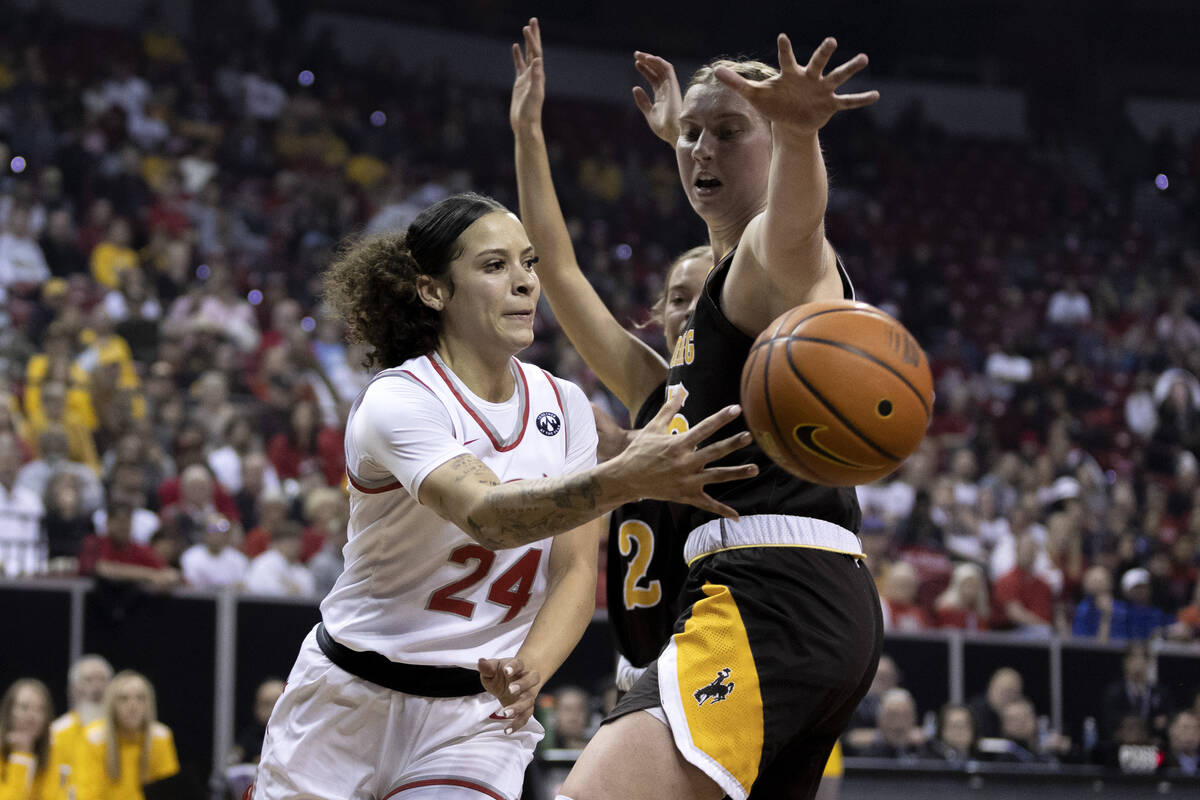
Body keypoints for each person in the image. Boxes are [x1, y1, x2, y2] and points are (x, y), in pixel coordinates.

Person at [251, 193, 754, 800]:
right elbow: (488, 517)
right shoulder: (399, 400)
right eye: (495, 266)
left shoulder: (565, 406)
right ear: (435, 291)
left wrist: (532, 669)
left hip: (472, 722)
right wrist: (626, 476)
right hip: (346, 701)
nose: (525, 283)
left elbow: (571, 570)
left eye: (529, 262)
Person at [509, 19, 882, 800]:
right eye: (690, 136)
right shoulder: (683, 355)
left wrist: (799, 133)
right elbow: (567, 281)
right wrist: (527, 135)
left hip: (772, 586)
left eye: (727, 133)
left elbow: (796, 223)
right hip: (779, 594)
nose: (700, 149)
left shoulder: (772, 261)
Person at [75, 671, 180, 800]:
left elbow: (170, 792)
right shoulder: (94, 738)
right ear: (112, 705)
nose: (133, 706)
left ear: (149, 704)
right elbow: (88, 794)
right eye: (124, 698)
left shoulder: (161, 737)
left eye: (140, 698)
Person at [50, 655, 114, 798]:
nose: (97, 687)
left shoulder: (122, 732)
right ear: (73, 688)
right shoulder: (57, 731)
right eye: (88, 680)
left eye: (102, 679)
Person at [0, 678, 59, 800]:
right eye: (24, 707)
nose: (32, 716)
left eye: (39, 709)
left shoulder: (55, 751)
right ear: (9, 712)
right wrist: (21, 756)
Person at [229, 679, 284, 765]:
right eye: (266, 704)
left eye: (277, 703)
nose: (272, 710)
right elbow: (232, 764)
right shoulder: (247, 739)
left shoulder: (295, 737)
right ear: (256, 708)